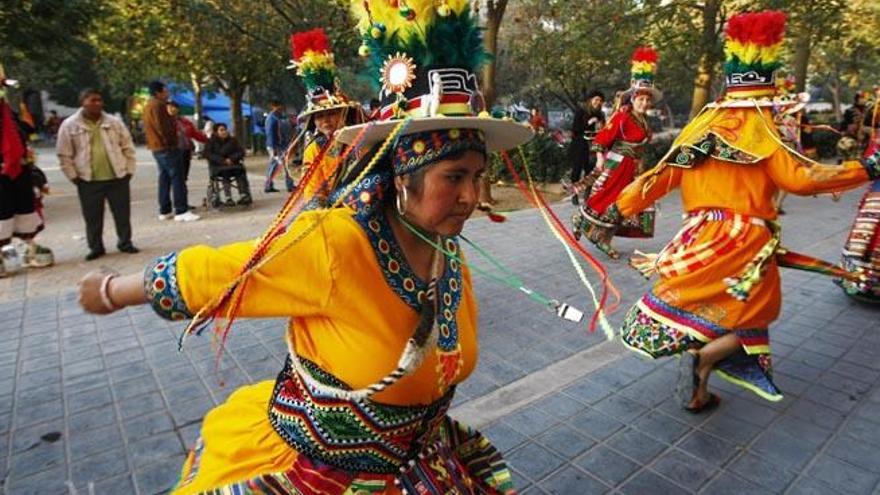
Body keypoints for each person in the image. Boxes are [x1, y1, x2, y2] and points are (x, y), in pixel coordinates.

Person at [77, 3, 536, 492]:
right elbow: (220, 272)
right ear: (404, 174)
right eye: (454, 177)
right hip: (322, 475)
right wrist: (110, 290)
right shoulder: (333, 243)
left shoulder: (446, 248)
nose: (470, 197)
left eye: (477, 177)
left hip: (421, 464)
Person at [611, 11, 880, 413]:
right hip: (745, 242)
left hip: (696, 236)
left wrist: (622, 205)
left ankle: (700, 390)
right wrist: (866, 168)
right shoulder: (763, 130)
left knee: (710, 307)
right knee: (758, 310)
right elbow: (802, 180)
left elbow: (661, 175)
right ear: (767, 95)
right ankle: (704, 359)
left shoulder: (701, 130)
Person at [573, 47, 660, 259]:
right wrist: (600, 161)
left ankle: (597, 233)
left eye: (648, 100)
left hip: (633, 168)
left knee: (627, 204)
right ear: (633, 99)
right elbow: (603, 138)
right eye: (641, 99)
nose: (644, 103)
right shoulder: (622, 117)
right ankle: (592, 229)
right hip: (618, 165)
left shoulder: (644, 121)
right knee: (608, 200)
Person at [56, 88, 138, 261]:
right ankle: (96, 247)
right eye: (92, 100)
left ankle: (125, 242)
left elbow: (127, 146)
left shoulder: (114, 122)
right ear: (82, 102)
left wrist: (129, 170)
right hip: (88, 179)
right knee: (92, 216)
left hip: (117, 176)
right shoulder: (70, 125)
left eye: (99, 100)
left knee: (122, 213)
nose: (97, 103)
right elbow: (64, 154)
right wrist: (73, 176)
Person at [285, 28, 364, 204]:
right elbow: (313, 192)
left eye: (331, 114)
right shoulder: (315, 148)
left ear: (344, 113)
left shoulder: (361, 138)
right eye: (319, 116)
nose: (325, 120)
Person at [1, 81, 53, 276]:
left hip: (20, 170)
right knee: (2, 212)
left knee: (25, 207)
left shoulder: (9, 113)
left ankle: (29, 246)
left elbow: (27, 130)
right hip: (2, 174)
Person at [143, 80, 199, 222]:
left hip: (157, 147)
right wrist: (171, 143)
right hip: (166, 147)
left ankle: (165, 209)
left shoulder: (148, 106)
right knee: (177, 177)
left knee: (165, 177)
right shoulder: (159, 106)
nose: (167, 93)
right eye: (165, 91)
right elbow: (163, 128)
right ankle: (181, 210)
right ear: (158, 92)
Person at [567, 90, 606, 205]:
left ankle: (587, 195)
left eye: (600, 101)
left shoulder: (600, 114)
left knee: (591, 171)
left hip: (594, 146)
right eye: (596, 100)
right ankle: (574, 194)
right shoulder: (581, 112)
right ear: (590, 100)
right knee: (577, 170)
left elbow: (604, 129)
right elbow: (575, 129)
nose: (598, 103)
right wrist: (589, 123)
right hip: (580, 145)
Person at [204, 123, 251, 207]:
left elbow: (241, 152)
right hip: (218, 166)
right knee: (225, 173)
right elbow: (209, 155)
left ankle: (243, 195)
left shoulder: (233, 140)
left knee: (240, 172)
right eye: (221, 130)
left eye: (225, 129)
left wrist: (231, 159)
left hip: (233, 164)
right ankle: (228, 197)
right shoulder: (211, 142)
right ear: (216, 132)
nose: (224, 132)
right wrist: (223, 160)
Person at [167, 101, 207, 183]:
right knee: (175, 176)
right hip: (172, 151)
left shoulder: (185, 121)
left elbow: (195, 134)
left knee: (183, 176)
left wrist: (209, 140)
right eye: (169, 107)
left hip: (185, 150)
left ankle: (182, 191)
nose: (172, 109)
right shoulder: (164, 122)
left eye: (174, 107)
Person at [263, 100, 295, 193]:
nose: (281, 108)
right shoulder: (272, 119)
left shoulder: (278, 117)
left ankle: (289, 185)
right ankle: (268, 185)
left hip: (281, 145)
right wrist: (275, 148)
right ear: (273, 106)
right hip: (276, 146)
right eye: (279, 106)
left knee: (284, 165)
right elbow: (271, 134)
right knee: (275, 166)